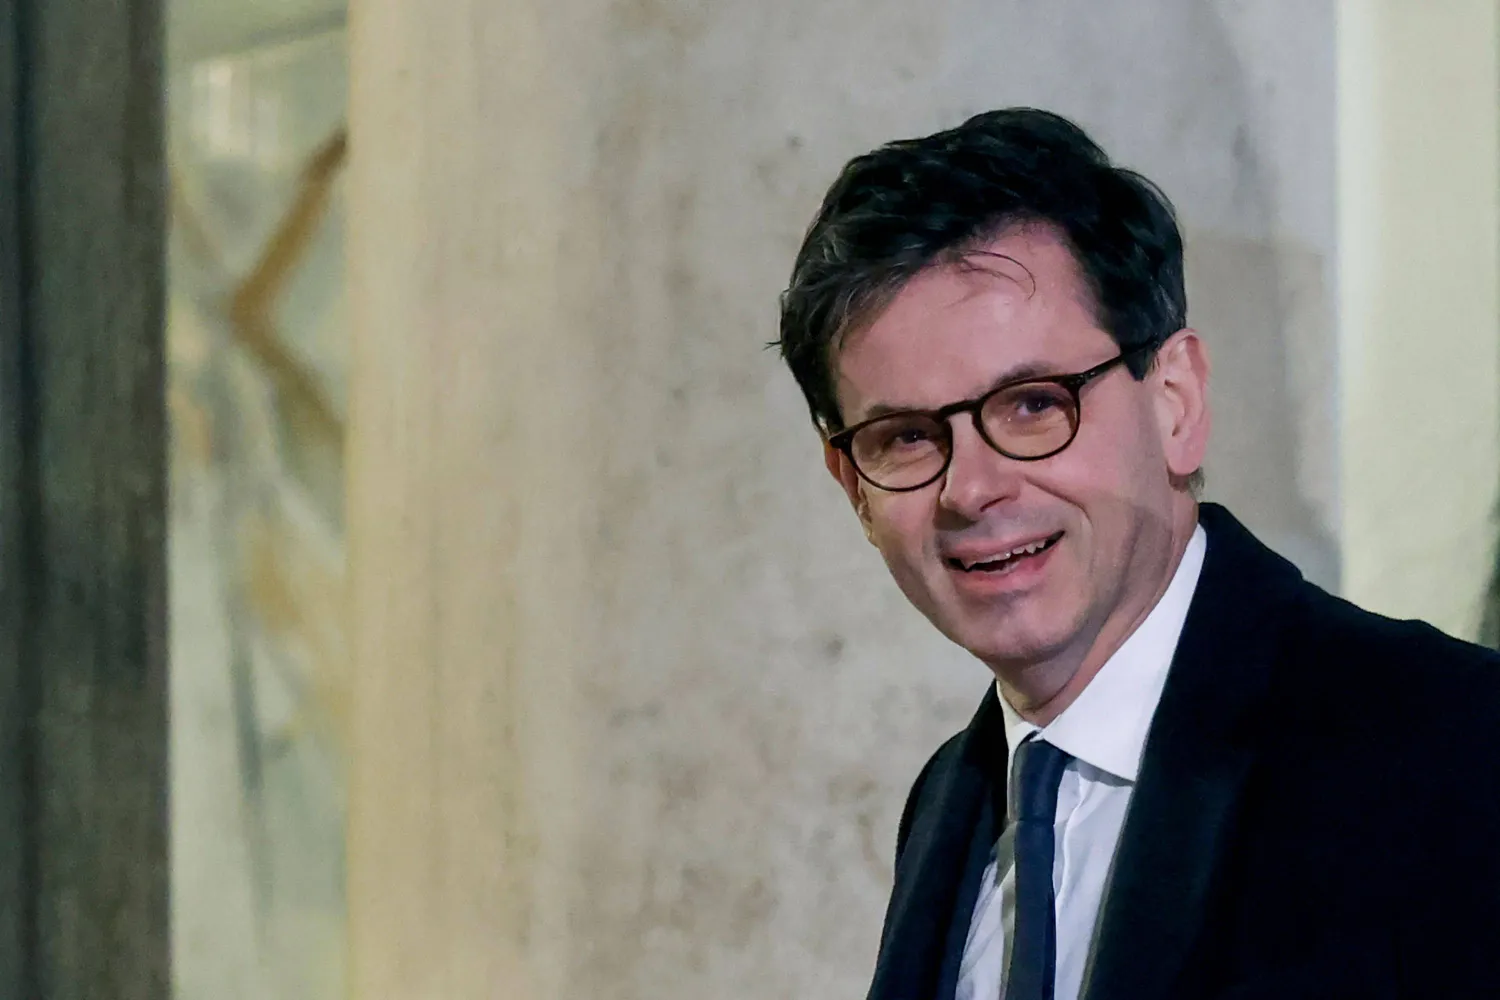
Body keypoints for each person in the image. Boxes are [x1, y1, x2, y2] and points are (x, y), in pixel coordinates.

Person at [776, 108, 1500, 1000]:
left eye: (1034, 405)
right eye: (906, 437)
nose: (971, 489)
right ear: (852, 484)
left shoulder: (1454, 743)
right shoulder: (947, 804)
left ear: (1176, 401)